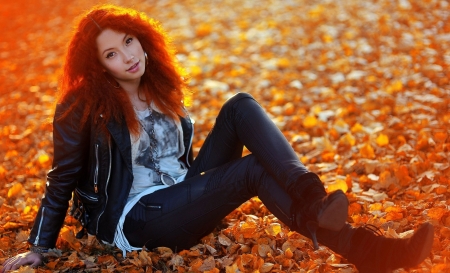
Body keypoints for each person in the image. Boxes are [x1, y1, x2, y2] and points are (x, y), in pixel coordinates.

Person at [1, 4, 434, 273]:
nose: (128, 56)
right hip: (137, 220)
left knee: (241, 105)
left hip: (182, 193)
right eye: (111, 54)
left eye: (129, 42)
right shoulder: (85, 106)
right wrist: (40, 244)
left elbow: (178, 159)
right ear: (98, 66)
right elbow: (61, 176)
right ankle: (362, 246)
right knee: (253, 171)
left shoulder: (159, 85)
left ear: (142, 38)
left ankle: (316, 199)